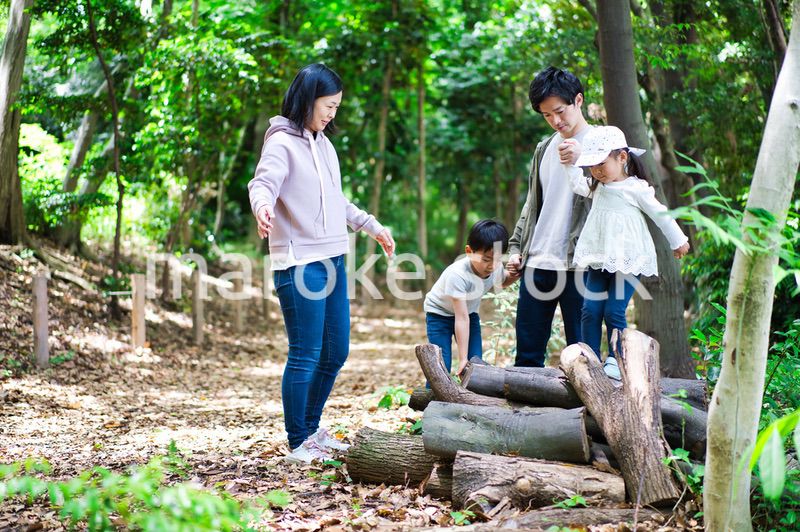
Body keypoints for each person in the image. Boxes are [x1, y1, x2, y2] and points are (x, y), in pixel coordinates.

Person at [248, 63, 396, 464]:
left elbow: (336, 200)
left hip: (333, 257)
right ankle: (299, 441)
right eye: (328, 105)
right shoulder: (281, 142)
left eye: (337, 107)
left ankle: (313, 430)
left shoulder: (325, 145)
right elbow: (262, 183)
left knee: (336, 351)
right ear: (307, 98)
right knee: (306, 353)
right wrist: (262, 206)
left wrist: (370, 225)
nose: (332, 114)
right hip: (299, 262)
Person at [565, 125, 690, 378]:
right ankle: (588, 356)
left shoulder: (636, 188)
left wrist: (678, 240)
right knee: (590, 309)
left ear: (622, 157)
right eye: (592, 166)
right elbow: (577, 184)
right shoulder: (596, 185)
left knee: (613, 310)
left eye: (601, 164)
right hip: (600, 258)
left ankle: (616, 359)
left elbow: (660, 214)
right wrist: (569, 163)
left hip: (630, 261)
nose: (597, 171)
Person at [507, 67, 593, 368]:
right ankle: (523, 416)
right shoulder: (544, 148)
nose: (556, 121)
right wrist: (516, 248)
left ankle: (585, 416)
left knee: (583, 358)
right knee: (527, 357)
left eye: (559, 111)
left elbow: (613, 195)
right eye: (547, 115)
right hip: (536, 263)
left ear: (578, 101)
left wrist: (583, 159)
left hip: (580, 264)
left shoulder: (602, 144)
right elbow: (532, 207)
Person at [423, 220, 515, 379]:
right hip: (439, 314)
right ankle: (433, 399)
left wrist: (515, 275)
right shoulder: (458, 275)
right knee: (441, 364)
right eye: (486, 259)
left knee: (475, 363)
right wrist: (462, 358)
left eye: (497, 259)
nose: (492, 266)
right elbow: (461, 318)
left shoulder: (495, 266)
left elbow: (502, 280)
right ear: (469, 251)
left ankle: (472, 399)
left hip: (469, 314)